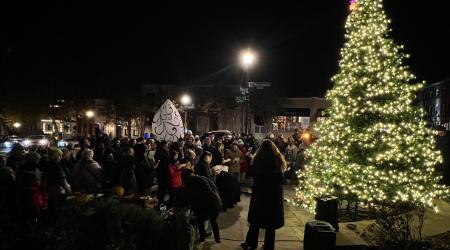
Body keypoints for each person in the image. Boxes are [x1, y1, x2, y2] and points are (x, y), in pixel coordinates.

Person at [241, 140, 287, 250]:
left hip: (260, 195)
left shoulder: (258, 160)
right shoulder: (278, 159)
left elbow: (251, 173)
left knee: (255, 222)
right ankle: (268, 246)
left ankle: (251, 244)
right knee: (270, 225)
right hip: (273, 196)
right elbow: (281, 178)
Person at [180, 169, 221, 243]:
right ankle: (217, 239)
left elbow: (184, 199)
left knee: (199, 219)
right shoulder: (202, 178)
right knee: (213, 220)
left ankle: (202, 237)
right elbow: (214, 187)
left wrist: (177, 206)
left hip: (204, 205)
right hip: (215, 203)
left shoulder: (188, 184)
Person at [154, 140, 170, 205]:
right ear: (164, 145)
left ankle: (160, 200)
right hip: (163, 172)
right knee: (162, 187)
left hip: (160, 171)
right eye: (166, 145)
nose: (167, 146)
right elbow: (167, 160)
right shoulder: (163, 152)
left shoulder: (158, 151)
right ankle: (160, 201)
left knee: (161, 187)